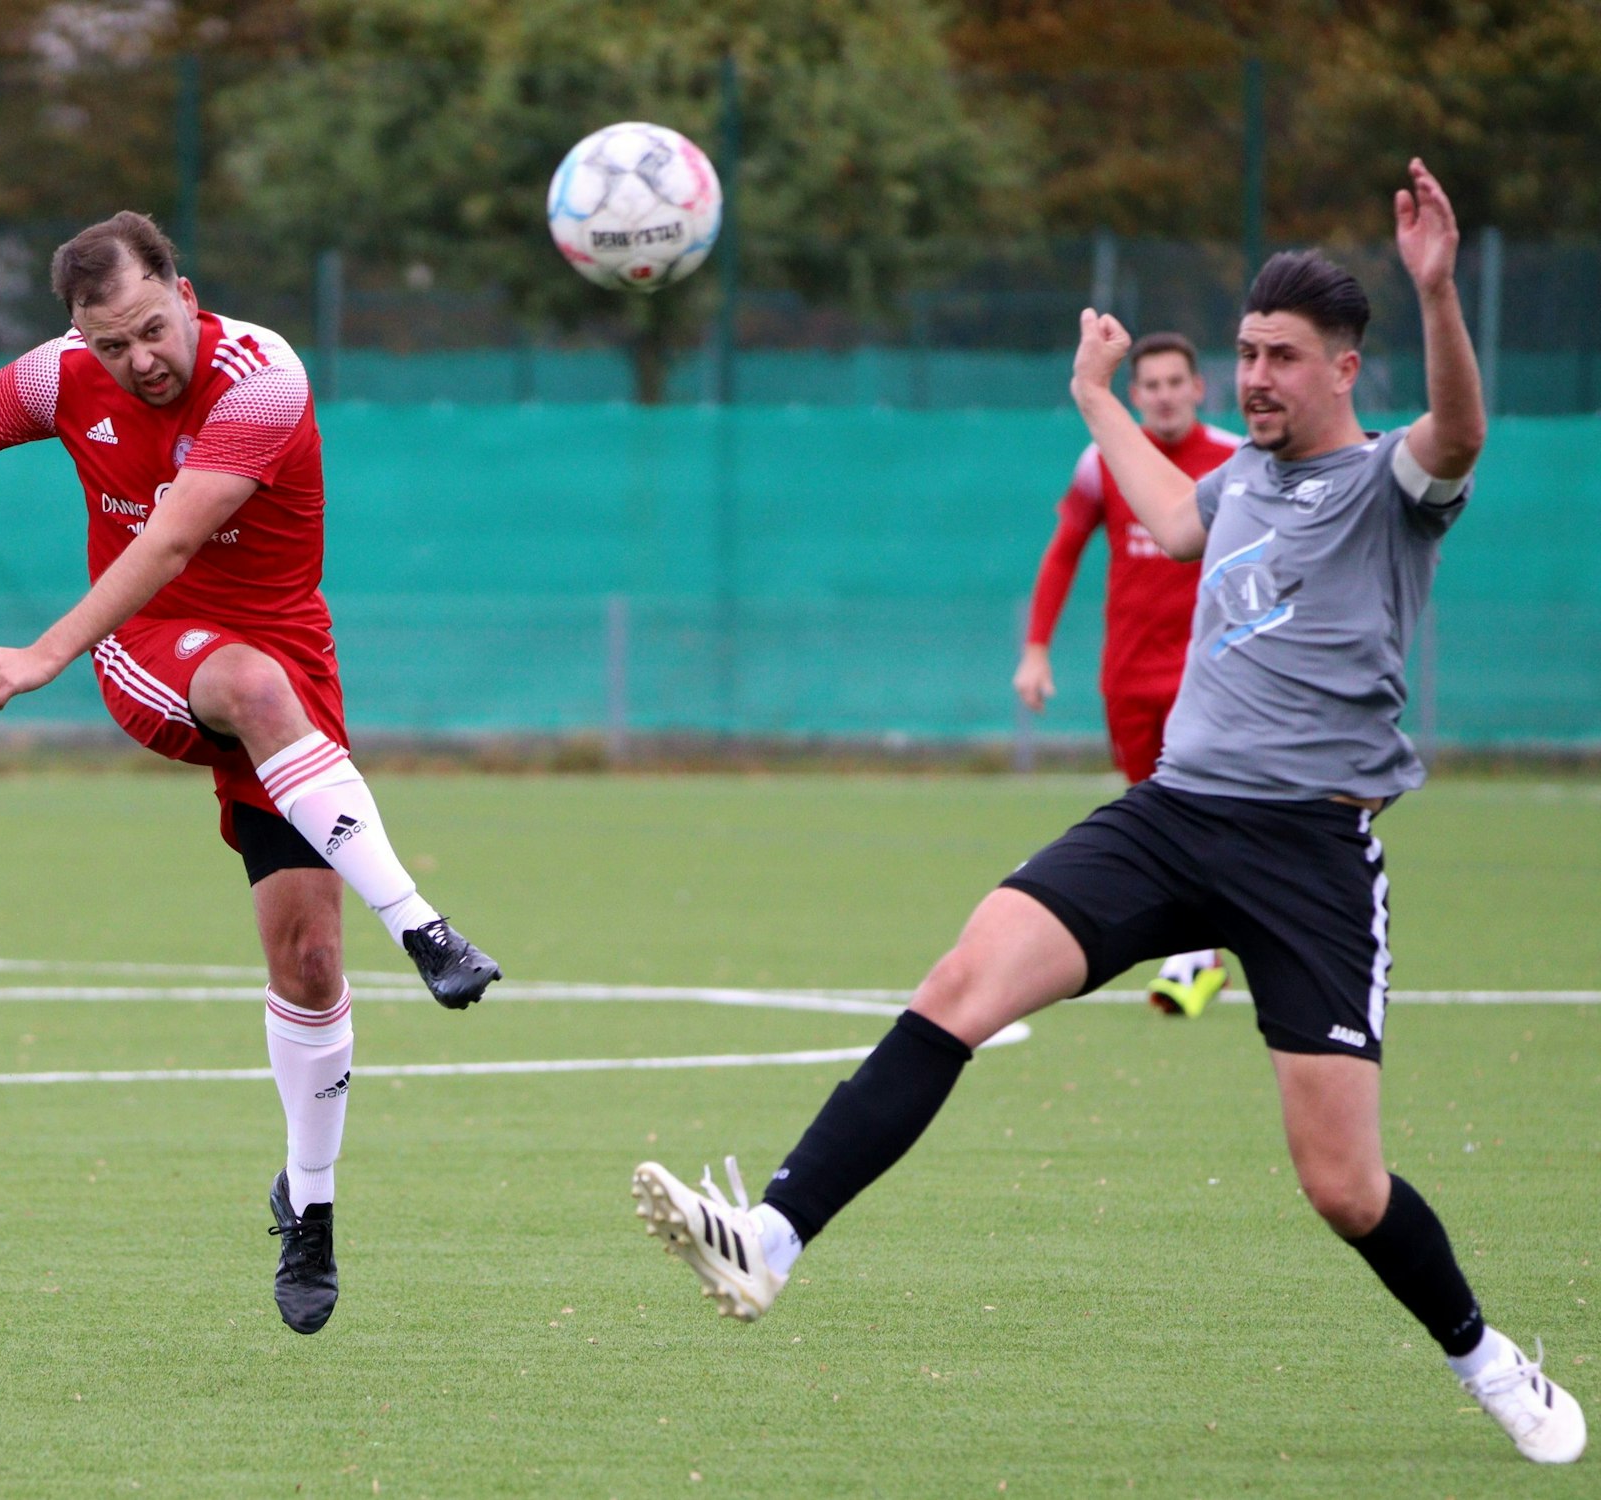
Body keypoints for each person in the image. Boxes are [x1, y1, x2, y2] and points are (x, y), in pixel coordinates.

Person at [631, 161, 1585, 1465]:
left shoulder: (1388, 486)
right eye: (1245, 352)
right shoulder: (1235, 483)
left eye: (1282, 359)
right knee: (960, 985)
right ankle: (773, 1239)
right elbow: (1168, 515)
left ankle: (1487, 1362)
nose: (1254, 378)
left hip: (1306, 852)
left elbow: (1462, 434)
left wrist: (1437, 293)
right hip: (1171, 815)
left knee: (1344, 1188)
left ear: (1346, 370)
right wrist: (1091, 392)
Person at [0, 211, 502, 1337]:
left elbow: (179, 531)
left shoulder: (260, 376)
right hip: (148, 651)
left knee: (312, 957)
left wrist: (42, 644)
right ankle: (426, 930)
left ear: (186, 289)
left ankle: (310, 1207)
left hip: (284, 669)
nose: (136, 361)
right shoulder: (62, 376)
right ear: (76, 334)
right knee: (249, 692)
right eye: (108, 343)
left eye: (148, 329)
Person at [1015, 332, 1241, 1016]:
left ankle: (1198, 955)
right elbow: (1063, 554)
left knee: (1203, 811)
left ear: (1199, 389)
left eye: (1177, 382)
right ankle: (1202, 948)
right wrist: (1035, 649)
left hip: (1208, 680)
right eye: (1152, 385)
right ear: (1134, 394)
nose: (1165, 395)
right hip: (1128, 679)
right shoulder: (1103, 460)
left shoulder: (1235, 462)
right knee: (1154, 811)